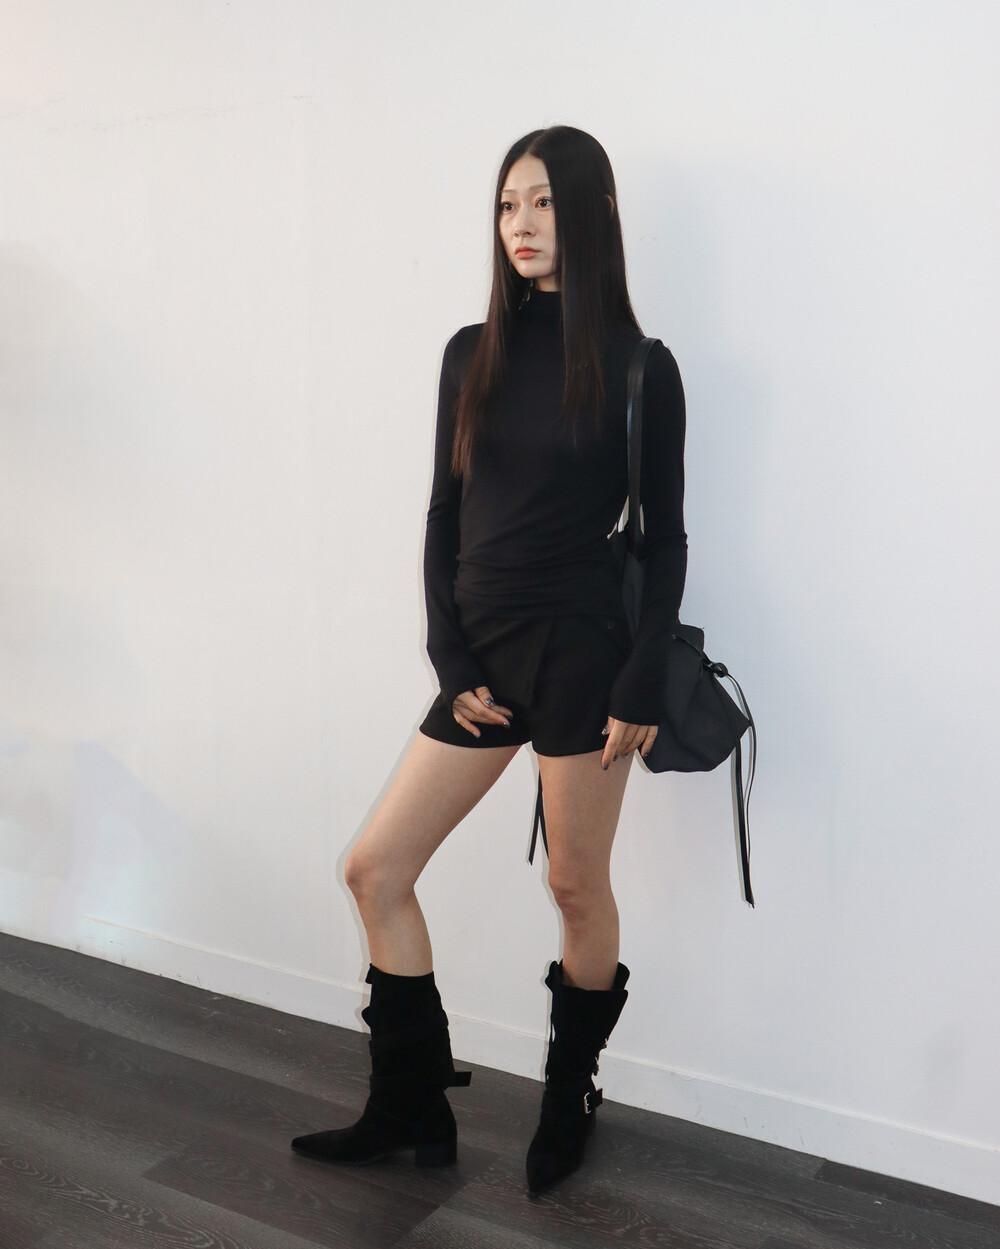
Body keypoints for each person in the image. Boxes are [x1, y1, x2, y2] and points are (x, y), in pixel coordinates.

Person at [290, 125, 687, 1196]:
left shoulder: (642, 369)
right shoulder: (471, 352)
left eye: (545, 202)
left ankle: (569, 1095)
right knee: (375, 868)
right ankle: (411, 1103)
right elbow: (442, 514)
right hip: (482, 659)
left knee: (573, 883)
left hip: (584, 658)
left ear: (593, 215)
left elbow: (665, 541)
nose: (522, 223)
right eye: (509, 203)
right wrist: (446, 652)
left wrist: (643, 674)